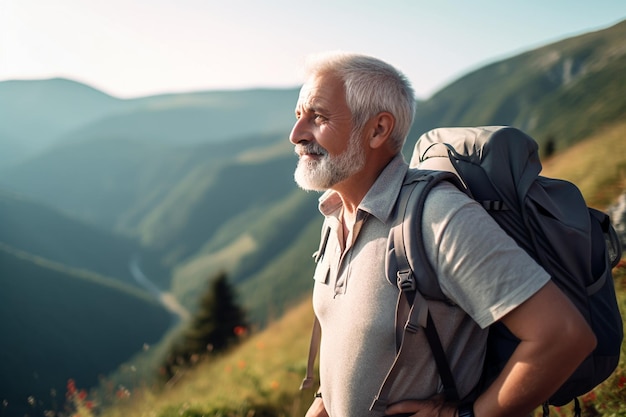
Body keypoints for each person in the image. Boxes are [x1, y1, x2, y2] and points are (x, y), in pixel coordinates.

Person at [289, 51, 596, 417]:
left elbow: (563, 335)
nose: (296, 134)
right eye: (299, 116)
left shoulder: (438, 217)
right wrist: (327, 401)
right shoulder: (335, 213)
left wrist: (466, 416)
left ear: (378, 130)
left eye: (318, 117)